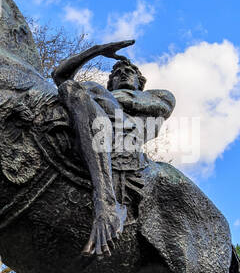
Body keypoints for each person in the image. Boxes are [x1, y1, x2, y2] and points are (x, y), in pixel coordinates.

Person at [52, 42, 176, 255]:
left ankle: (107, 204)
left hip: (126, 141)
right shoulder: (98, 98)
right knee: (70, 89)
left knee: (81, 88)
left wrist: (103, 94)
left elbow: (161, 106)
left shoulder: (157, 96)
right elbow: (60, 77)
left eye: (129, 72)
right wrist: (96, 51)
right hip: (95, 128)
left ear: (140, 82)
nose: (122, 74)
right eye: (117, 73)